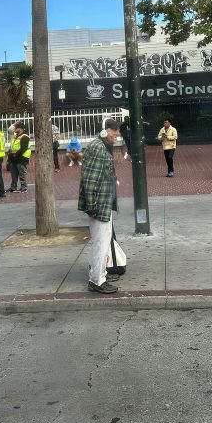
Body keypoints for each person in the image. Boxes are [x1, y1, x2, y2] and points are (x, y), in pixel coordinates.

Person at [79, 118, 121, 294]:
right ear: (105, 131)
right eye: (114, 133)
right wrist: (93, 206)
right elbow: (90, 180)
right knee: (100, 243)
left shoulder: (102, 146)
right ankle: (97, 280)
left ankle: (100, 273)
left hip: (103, 203)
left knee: (103, 241)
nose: (116, 137)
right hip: (99, 205)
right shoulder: (97, 147)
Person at [7, 122, 31, 193]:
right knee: (13, 174)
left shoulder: (25, 137)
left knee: (22, 174)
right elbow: (12, 146)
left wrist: (15, 155)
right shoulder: (15, 136)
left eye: (15, 127)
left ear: (20, 128)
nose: (14, 129)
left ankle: (24, 187)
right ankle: (13, 187)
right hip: (13, 158)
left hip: (21, 158)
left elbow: (23, 149)